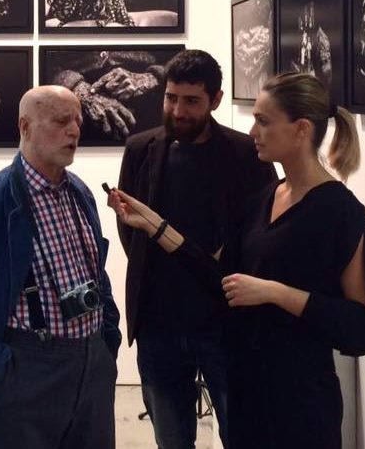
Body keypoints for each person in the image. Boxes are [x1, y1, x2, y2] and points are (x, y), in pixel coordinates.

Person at [109, 73, 365, 449]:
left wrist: (278, 293)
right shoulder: (266, 198)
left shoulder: (340, 211)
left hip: (300, 399)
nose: (252, 131)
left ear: (301, 129)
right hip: (249, 387)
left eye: (263, 121)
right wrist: (155, 225)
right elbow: (222, 276)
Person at [0, 85, 121, 449]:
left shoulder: (80, 193)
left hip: (92, 368)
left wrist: (106, 340)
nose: (74, 131)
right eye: (61, 121)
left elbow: (97, 271)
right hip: (27, 372)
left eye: (77, 121)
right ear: (25, 126)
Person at [115, 49, 276, 449]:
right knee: (171, 439)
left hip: (228, 323)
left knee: (245, 435)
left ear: (215, 100)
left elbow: (263, 232)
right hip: (159, 325)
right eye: (171, 98)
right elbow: (130, 228)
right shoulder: (140, 148)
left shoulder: (247, 153)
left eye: (191, 101)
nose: (178, 111)